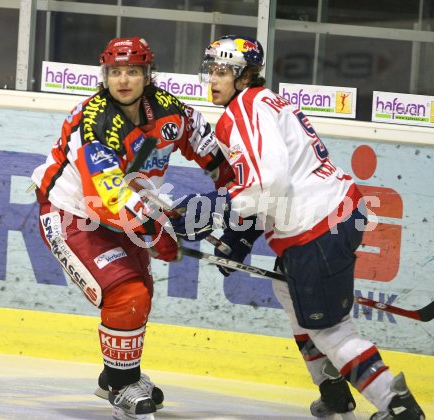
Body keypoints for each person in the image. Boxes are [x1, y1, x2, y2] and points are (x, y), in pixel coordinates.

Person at [177, 34, 425, 419]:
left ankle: (397, 406)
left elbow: (268, 183)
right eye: (211, 70)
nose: (213, 79)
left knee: (331, 331)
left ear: (245, 76)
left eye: (223, 71)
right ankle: (334, 392)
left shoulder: (243, 111)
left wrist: (209, 209)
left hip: (319, 226)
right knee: (288, 291)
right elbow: (274, 181)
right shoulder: (266, 102)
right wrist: (241, 236)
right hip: (337, 211)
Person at [31, 36, 232, 420]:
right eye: (115, 72)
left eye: (133, 71)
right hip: (72, 214)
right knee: (126, 293)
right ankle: (123, 385)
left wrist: (235, 204)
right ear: (105, 75)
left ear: (148, 74)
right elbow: (105, 197)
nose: (123, 80)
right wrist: (158, 230)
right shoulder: (94, 122)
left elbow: (216, 158)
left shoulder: (171, 110)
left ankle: (116, 375)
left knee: (140, 296)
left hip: (126, 214)